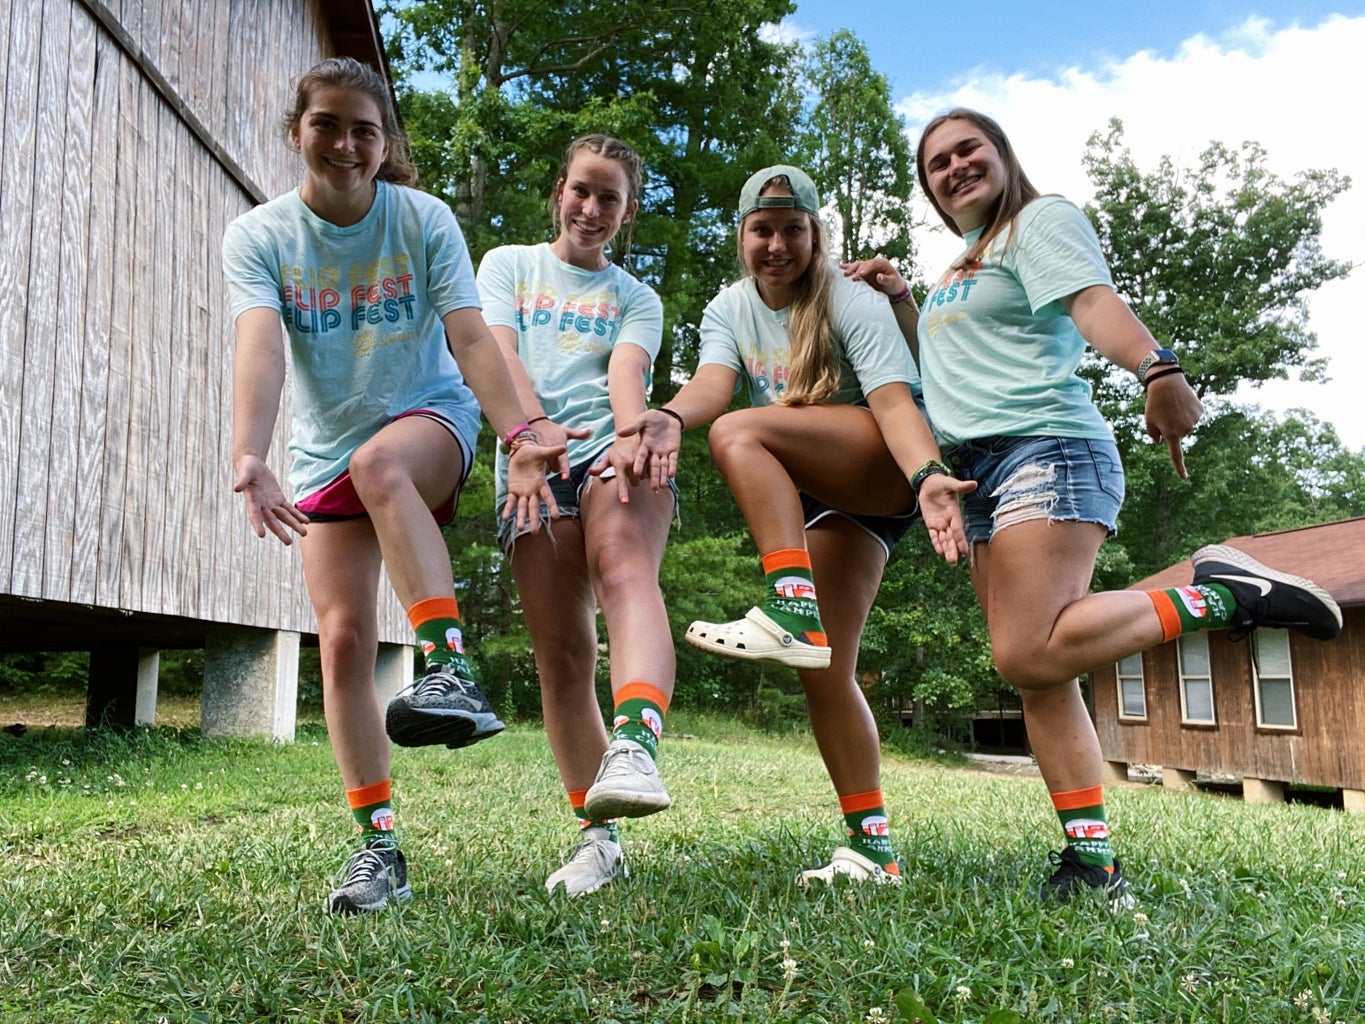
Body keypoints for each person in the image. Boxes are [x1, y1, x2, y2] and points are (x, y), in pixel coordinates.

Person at [843, 107, 1342, 905]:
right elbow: (945, 368)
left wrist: (1156, 367)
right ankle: (1091, 860)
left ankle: (1223, 595)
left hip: (1046, 448)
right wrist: (905, 300)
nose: (953, 167)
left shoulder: (1037, 221)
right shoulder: (960, 266)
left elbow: (1090, 302)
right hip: (979, 472)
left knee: (1025, 654)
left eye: (967, 149)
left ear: (1001, 154)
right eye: (936, 163)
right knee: (1043, 672)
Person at [222, 57, 564, 914]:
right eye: (327, 124)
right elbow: (260, 345)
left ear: (386, 143)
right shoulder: (260, 236)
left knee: (382, 463)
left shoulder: (421, 219)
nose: (345, 144)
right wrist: (249, 451)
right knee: (339, 642)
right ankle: (378, 851)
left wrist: (520, 434)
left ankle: (449, 667)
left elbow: (474, 338)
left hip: (428, 417)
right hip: (323, 450)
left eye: (364, 129)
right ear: (297, 130)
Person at [618, 164, 972, 886]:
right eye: (762, 231)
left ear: (815, 234)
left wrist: (928, 476)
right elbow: (714, 384)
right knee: (825, 672)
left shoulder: (852, 300)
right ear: (741, 236)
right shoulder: (729, 308)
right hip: (816, 493)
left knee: (742, 435)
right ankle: (872, 848)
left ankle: (790, 606)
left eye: (791, 230)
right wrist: (669, 415)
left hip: (881, 463)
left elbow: (896, 402)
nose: (776, 245)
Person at [475, 135, 675, 898]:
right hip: (529, 462)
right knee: (561, 658)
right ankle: (599, 841)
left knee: (624, 567)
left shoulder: (636, 297)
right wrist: (529, 433)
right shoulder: (509, 266)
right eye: (581, 191)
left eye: (610, 198)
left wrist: (629, 435)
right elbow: (497, 354)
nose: (591, 209)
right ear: (559, 190)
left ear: (627, 212)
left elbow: (626, 371)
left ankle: (635, 743)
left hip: (610, 451)